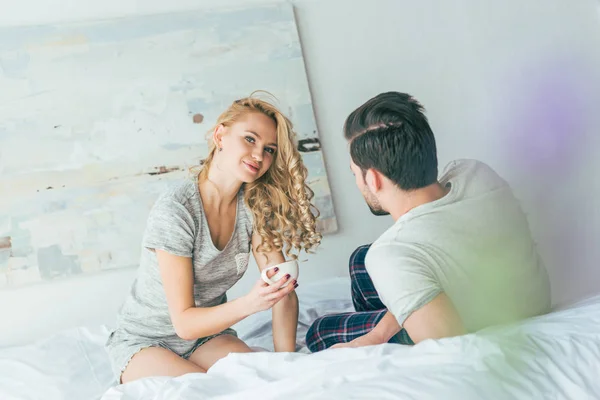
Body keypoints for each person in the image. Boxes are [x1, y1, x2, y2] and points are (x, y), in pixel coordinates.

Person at [306, 91, 550, 351]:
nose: (356, 181)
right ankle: (404, 299)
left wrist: (373, 342)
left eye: (355, 173)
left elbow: (449, 345)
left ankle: (405, 304)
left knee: (319, 332)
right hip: (521, 295)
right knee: (360, 260)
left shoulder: (390, 253)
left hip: (469, 322)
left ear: (373, 179)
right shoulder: (476, 172)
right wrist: (377, 333)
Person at [106, 93, 322, 383]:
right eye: (250, 139)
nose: (259, 155)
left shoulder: (256, 206)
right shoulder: (177, 210)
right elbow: (183, 323)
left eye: (269, 149)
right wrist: (251, 303)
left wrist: (286, 364)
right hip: (147, 340)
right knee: (208, 391)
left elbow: (282, 292)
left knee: (260, 381)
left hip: (207, 337)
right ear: (220, 135)